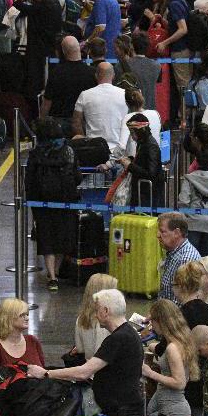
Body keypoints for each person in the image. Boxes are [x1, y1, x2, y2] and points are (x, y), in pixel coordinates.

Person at [70, 273, 119, 416]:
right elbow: (106, 352)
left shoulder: (81, 319)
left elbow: (80, 349)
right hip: (106, 380)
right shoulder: (104, 324)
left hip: (87, 381)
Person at [27, 118, 80, 292]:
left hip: (42, 203)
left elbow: (30, 180)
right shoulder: (68, 151)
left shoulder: (36, 153)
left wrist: (33, 203)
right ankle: (56, 270)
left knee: (47, 238)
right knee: (63, 237)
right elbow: (77, 176)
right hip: (66, 201)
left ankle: (52, 275)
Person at [0, 297, 46, 416]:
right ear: (9, 318)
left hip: (36, 406)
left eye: (27, 314)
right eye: (22, 315)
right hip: (9, 410)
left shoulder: (33, 341)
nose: (27, 318)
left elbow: (43, 372)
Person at [13, 0, 63, 101]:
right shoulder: (55, 4)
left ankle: (37, 104)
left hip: (37, 49)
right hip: (52, 46)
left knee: (36, 80)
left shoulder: (38, 8)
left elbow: (17, 3)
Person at [71, 62, 126, 154]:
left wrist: (84, 141)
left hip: (93, 150)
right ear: (113, 76)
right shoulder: (125, 94)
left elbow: (76, 123)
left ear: (96, 76)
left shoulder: (84, 95)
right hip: (120, 151)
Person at [41, 36, 96, 122]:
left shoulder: (56, 73)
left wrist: (42, 120)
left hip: (60, 121)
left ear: (63, 52)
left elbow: (47, 102)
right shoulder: (92, 73)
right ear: (79, 49)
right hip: (84, 121)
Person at [157, 212, 203, 304]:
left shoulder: (186, 260)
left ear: (177, 233)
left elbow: (182, 303)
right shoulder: (173, 253)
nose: (158, 235)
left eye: (162, 231)